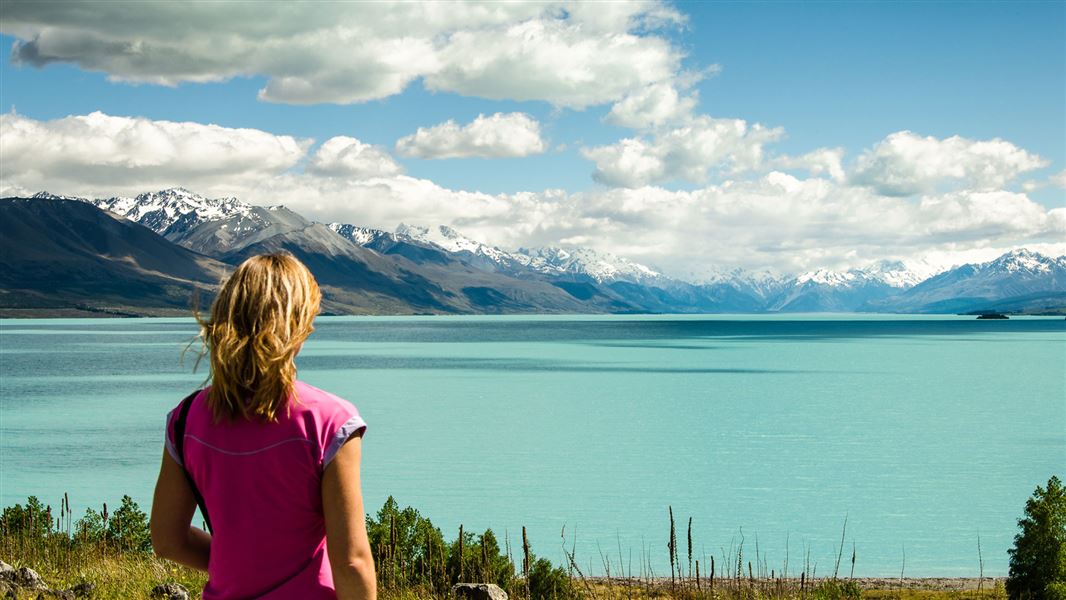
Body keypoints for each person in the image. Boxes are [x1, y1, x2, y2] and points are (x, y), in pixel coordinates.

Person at [150, 253, 377, 600]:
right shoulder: (330, 422)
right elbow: (352, 563)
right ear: (294, 324)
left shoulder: (185, 419)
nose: (312, 328)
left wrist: (236, 565)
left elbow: (168, 539)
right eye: (308, 318)